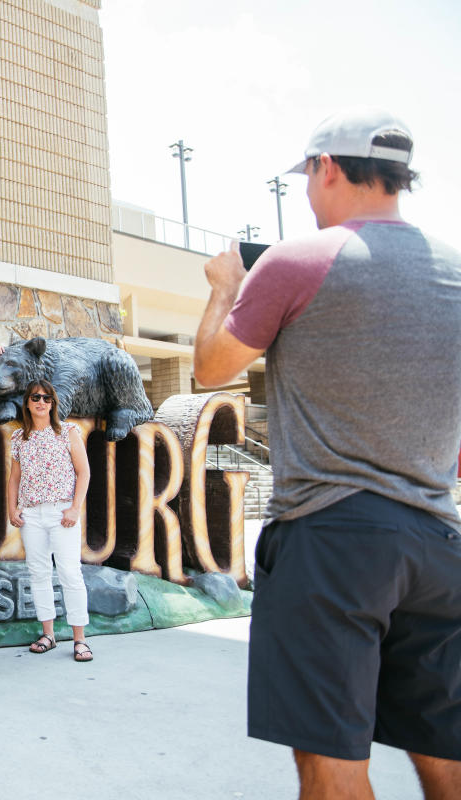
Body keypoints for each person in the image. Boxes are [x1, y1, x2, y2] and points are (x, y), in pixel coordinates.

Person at [193, 107, 461, 798]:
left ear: (327, 168)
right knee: (447, 752)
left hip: (332, 540)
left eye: (309, 177)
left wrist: (225, 287)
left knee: (331, 760)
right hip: (439, 544)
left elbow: (210, 369)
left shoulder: (300, 259)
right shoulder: (456, 272)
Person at [6, 379, 93, 662]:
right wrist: (12, 508)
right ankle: (49, 634)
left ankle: (79, 639)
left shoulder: (67, 432)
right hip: (31, 515)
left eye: (46, 398)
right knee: (39, 573)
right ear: (28, 403)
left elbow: (84, 472)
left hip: (62, 512)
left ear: (52, 403)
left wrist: (74, 508)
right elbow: (14, 478)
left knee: (69, 572)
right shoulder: (19, 438)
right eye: (35, 398)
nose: (41, 402)